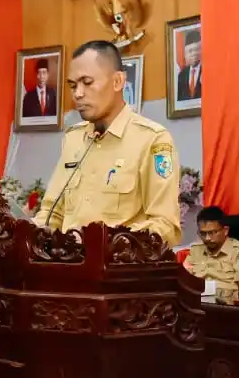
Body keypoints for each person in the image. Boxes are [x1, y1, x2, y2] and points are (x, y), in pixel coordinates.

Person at [34, 40, 181, 246]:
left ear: (117, 82)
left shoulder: (152, 139)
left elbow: (165, 225)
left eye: (87, 82)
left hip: (120, 271)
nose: (78, 94)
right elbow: (52, 214)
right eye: (73, 85)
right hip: (67, 268)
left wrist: (104, 244)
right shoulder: (74, 139)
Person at [183, 206, 239, 304]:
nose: (207, 238)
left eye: (212, 233)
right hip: (196, 305)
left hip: (225, 309)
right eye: (203, 233)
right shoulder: (196, 250)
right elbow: (183, 279)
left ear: (225, 230)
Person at [176, 29, 202, 102]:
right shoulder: (181, 75)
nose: (194, 54)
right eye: (190, 51)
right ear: (185, 55)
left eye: (197, 49)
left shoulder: (207, 71)